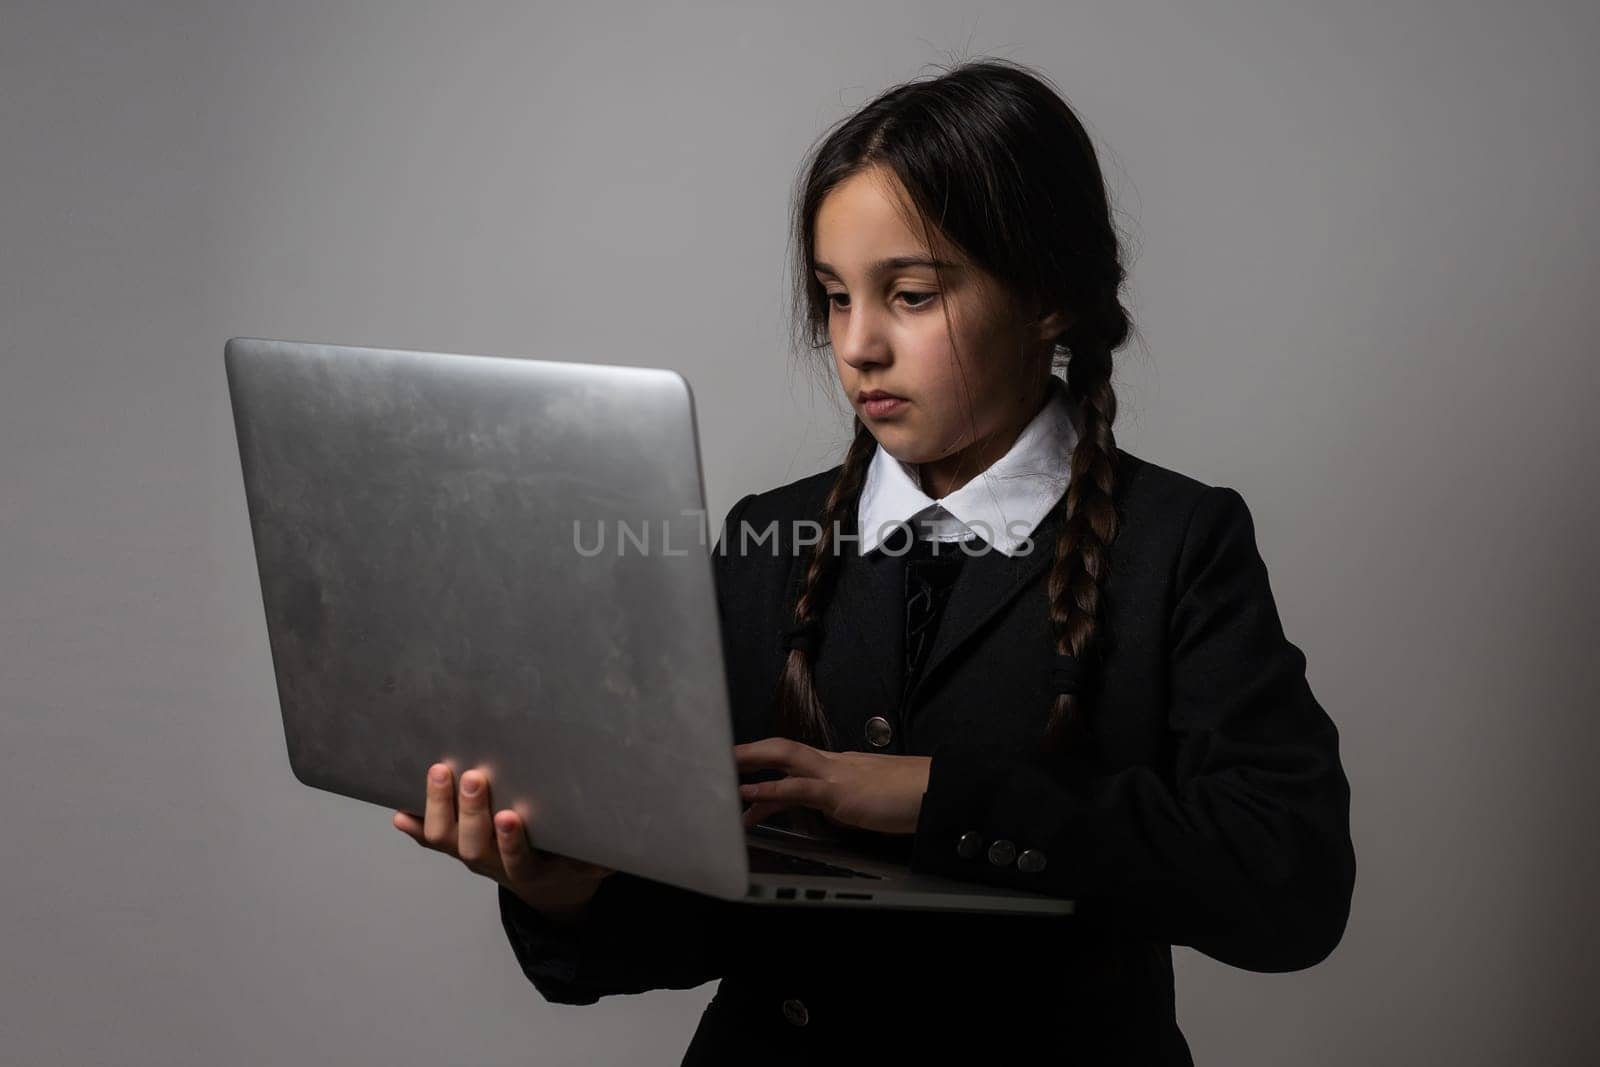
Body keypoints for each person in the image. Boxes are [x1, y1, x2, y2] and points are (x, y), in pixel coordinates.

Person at [391, 57, 1357, 1065]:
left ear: (1047, 298)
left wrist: (937, 797)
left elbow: (1288, 888)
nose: (857, 346)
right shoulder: (767, 536)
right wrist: (561, 884)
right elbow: (696, 928)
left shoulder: (1176, 542)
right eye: (832, 298)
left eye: (908, 293)